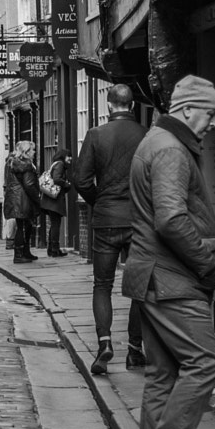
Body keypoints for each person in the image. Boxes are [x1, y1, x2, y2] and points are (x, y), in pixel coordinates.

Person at [122, 75, 215, 429]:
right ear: (187, 111)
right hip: (173, 279)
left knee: (163, 373)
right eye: (210, 114)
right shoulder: (170, 149)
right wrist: (206, 267)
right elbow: (171, 219)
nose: (214, 123)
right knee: (204, 364)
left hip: (153, 275)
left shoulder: (156, 141)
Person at [72, 83, 148, 375]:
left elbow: (81, 180)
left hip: (105, 219)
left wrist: (99, 201)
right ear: (131, 104)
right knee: (139, 289)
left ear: (108, 105)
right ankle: (134, 350)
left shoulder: (95, 135)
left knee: (102, 284)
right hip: (138, 220)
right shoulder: (146, 135)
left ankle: (104, 343)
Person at [4, 140, 43, 264]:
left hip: (14, 197)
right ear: (26, 151)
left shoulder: (11, 163)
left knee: (23, 225)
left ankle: (25, 252)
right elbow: (29, 184)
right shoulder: (26, 164)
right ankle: (20, 254)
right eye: (32, 150)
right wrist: (37, 199)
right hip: (23, 198)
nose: (34, 152)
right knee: (24, 226)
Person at [37, 146, 70, 256]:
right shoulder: (60, 165)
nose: (70, 159)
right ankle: (55, 249)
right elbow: (56, 179)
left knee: (54, 224)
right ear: (64, 156)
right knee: (56, 224)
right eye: (68, 156)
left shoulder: (55, 164)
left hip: (49, 199)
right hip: (54, 200)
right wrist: (67, 184)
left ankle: (51, 249)